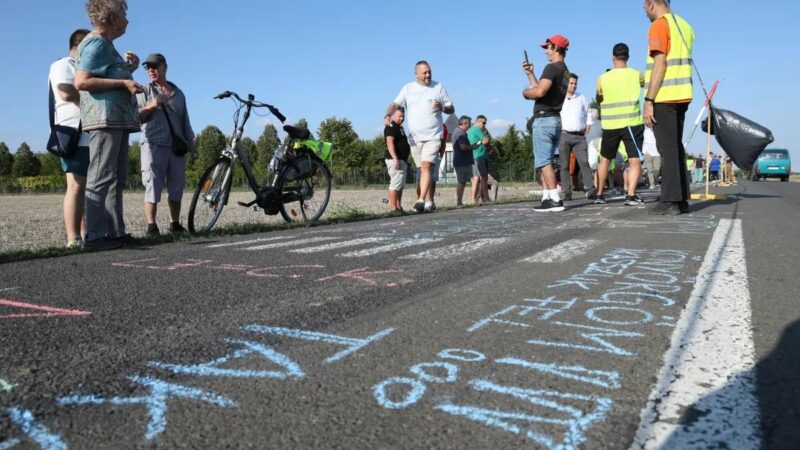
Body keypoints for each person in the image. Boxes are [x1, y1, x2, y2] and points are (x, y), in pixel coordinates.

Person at [75, 0, 143, 251]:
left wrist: (127, 71)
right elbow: (82, 81)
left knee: (115, 176)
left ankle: (115, 232)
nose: (127, 19)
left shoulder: (106, 46)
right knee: (101, 176)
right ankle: (94, 236)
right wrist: (123, 83)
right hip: (104, 120)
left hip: (117, 120)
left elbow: (103, 75)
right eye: (123, 13)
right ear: (111, 18)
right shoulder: (95, 43)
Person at [643, 0, 695, 215]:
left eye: (644, 7)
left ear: (651, 4)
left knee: (667, 149)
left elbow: (660, 63)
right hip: (682, 94)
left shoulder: (659, 24)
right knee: (676, 147)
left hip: (664, 95)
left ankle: (670, 200)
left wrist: (649, 100)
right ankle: (681, 199)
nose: (645, 12)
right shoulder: (684, 25)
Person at [136, 53, 196, 238]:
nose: (151, 70)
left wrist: (192, 144)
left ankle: (175, 224)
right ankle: (152, 227)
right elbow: (136, 117)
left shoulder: (179, 94)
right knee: (152, 184)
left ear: (164, 67)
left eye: (155, 66)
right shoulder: (144, 91)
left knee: (177, 186)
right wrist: (152, 104)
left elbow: (185, 121)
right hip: (153, 144)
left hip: (176, 146)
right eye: (148, 67)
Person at [386, 61, 454, 213]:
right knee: (422, 171)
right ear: (416, 73)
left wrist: (442, 107)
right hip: (415, 138)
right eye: (424, 73)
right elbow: (394, 104)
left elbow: (451, 108)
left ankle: (421, 199)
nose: (428, 75)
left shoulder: (439, 87)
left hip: (433, 136)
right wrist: (387, 114)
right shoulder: (408, 88)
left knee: (426, 167)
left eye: (429, 72)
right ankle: (429, 201)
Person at [49, 29, 91, 249]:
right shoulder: (64, 64)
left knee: (83, 187)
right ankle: (73, 237)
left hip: (85, 134)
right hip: (72, 133)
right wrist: (91, 94)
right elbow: (65, 92)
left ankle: (85, 235)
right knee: (75, 185)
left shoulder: (81, 68)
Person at [523, 35, 571, 212]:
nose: (545, 51)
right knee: (546, 160)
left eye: (548, 47)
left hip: (544, 120)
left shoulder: (551, 67)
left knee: (544, 162)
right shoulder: (564, 70)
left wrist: (525, 92)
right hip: (555, 119)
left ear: (556, 48)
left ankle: (555, 199)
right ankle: (547, 197)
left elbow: (539, 92)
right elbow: (543, 89)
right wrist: (530, 74)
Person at [594, 43, 645, 206]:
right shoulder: (637, 75)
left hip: (610, 124)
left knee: (605, 161)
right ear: (628, 57)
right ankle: (630, 196)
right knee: (634, 161)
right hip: (631, 124)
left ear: (612, 56)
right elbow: (646, 86)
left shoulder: (603, 77)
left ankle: (600, 195)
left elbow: (599, 99)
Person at [558, 73, 596, 200]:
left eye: (575, 83)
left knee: (585, 163)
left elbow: (588, 112)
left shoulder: (581, 97)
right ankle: (567, 191)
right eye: (571, 83)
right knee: (564, 165)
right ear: (566, 84)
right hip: (564, 135)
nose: (574, 86)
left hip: (579, 136)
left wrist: (589, 124)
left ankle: (590, 189)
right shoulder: (560, 98)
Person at [384, 107, 410, 213]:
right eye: (399, 116)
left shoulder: (399, 127)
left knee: (399, 185)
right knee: (395, 184)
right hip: (395, 159)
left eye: (403, 116)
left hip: (401, 160)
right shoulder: (391, 126)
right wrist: (395, 158)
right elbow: (390, 142)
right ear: (393, 116)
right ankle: (393, 208)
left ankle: (399, 207)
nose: (402, 118)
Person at [452, 116, 482, 207]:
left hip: (462, 161)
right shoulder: (460, 133)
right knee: (462, 182)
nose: (470, 125)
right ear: (465, 123)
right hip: (462, 162)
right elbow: (463, 147)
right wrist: (472, 147)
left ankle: (460, 201)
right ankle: (459, 202)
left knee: (463, 181)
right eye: (469, 123)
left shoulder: (459, 132)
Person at [468, 115, 491, 203]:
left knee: (479, 178)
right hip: (479, 156)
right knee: (481, 178)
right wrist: (486, 138)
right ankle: (481, 198)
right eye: (484, 123)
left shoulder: (472, 130)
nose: (484, 125)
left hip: (477, 156)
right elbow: (486, 141)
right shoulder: (477, 130)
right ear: (478, 121)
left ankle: (481, 198)